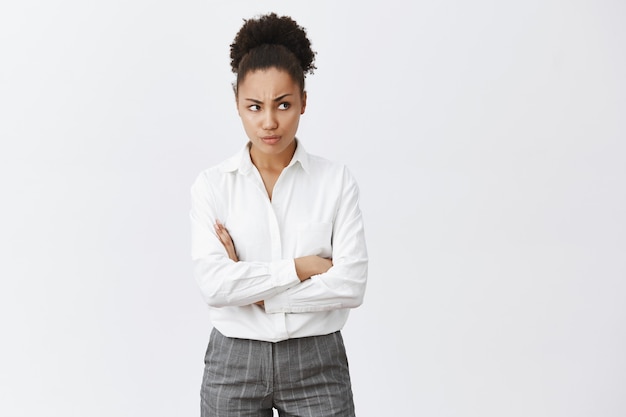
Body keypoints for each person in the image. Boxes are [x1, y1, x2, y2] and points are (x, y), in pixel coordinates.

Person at [190, 12, 368, 416]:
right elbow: (215, 285)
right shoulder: (212, 186)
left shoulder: (335, 182)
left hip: (317, 361)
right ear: (237, 105)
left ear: (303, 101)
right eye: (254, 106)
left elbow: (351, 285)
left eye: (283, 104)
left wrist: (257, 297)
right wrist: (302, 267)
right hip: (233, 362)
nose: (269, 121)